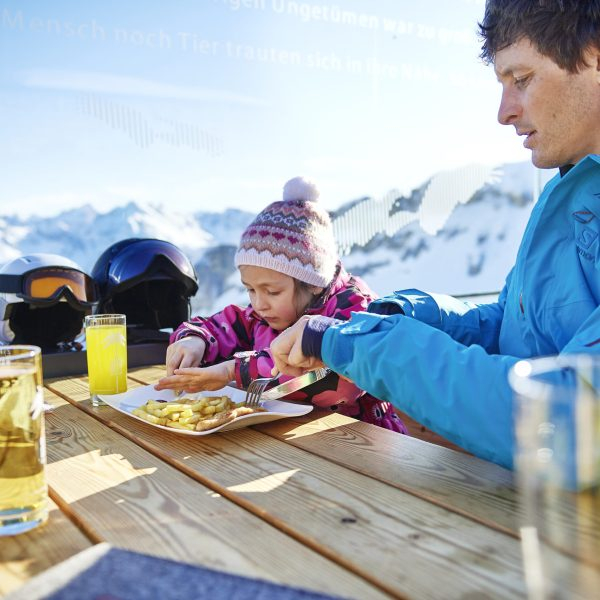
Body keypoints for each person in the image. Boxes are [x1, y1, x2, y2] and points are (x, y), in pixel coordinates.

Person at [269, 0, 600, 469]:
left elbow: (574, 418)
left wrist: (354, 344)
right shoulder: (571, 187)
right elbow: (510, 324)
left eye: (521, 79)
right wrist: (399, 314)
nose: (504, 112)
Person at [155, 176, 407, 433]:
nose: (258, 304)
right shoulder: (262, 314)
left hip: (362, 441)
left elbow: (333, 383)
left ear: (313, 283)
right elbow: (219, 327)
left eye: (272, 291)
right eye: (250, 289)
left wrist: (233, 370)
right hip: (286, 438)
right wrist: (194, 340)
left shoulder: (355, 308)